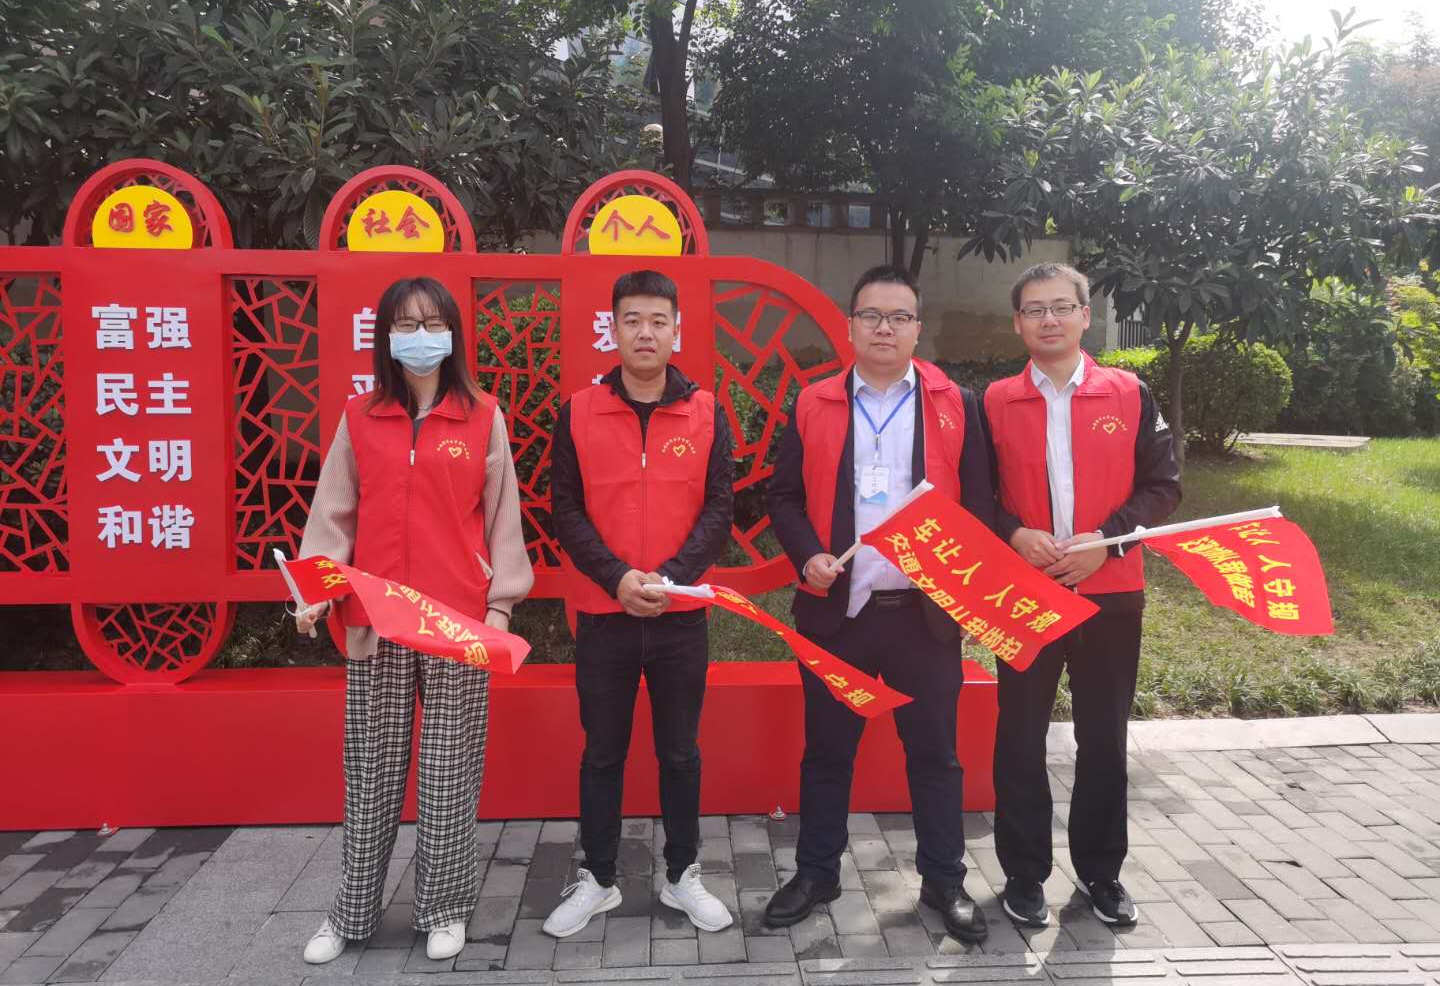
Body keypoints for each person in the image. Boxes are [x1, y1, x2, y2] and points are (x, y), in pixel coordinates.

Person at [294, 276, 534, 964]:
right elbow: (332, 516)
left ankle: (444, 908)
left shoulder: (482, 416)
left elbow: (503, 517)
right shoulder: (360, 417)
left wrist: (499, 605)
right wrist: (315, 592)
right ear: (386, 337)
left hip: (455, 623)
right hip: (375, 619)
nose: (420, 336)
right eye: (406, 324)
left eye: (432, 323)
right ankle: (351, 913)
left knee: (449, 771)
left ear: (453, 334)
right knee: (370, 772)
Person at [765, 265, 996, 944]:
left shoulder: (957, 403)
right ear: (850, 326)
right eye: (872, 316)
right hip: (839, 611)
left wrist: (960, 582)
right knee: (827, 752)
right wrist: (807, 553)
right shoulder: (814, 403)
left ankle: (945, 881)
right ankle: (817, 873)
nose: (885, 329)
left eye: (899, 317)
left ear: (918, 329)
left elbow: (980, 504)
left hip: (924, 615)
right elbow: (783, 496)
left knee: (935, 756)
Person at [984, 262, 1180, 929]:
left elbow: (1164, 487)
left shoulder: (1129, 392)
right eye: (1034, 309)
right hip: (1023, 593)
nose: (1049, 319)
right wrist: (1014, 533)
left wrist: (1109, 541)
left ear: (1084, 315)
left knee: (1103, 737)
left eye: (1061, 307)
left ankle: (1101, 873)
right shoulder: (995, 401)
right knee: (1018, 736)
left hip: (1111, 591)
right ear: (1018, 323)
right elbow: (975, 493)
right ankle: (1023, 874)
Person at [542, 269, 736, 939]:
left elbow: (719, 508)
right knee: (602, 753)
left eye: (658, 320)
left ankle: (682, 875)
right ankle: (597, 879)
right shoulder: (579, 411)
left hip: (681, 618)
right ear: (613, 329)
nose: (645, 332)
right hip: (605, 617)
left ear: (677, 330)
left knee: (680, 753)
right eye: (632, 320)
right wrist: (619, 578)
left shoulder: (706, 412)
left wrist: (671, 580)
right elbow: (565, 509)